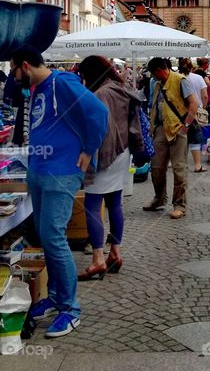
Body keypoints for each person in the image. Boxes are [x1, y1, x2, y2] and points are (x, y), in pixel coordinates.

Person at [12, 44, 108, 338]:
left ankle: (70, 309)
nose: (13, 77)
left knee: (53, 236)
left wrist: (89, 152)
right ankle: (55, 298)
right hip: (40, 172)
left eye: (14, 70)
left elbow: (98, 113)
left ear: (25, 65)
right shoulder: (39, 88)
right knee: (45, 236)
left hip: (61, 172)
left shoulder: (61, 83)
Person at [77, 56, 142, 280]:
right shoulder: (119, 87)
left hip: (105, 153)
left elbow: (97, 129)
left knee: (92, 205)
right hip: (122, 152)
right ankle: (115, 252)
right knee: (114, 202)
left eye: (84, 76)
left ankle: (97, 260)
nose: (83, 81)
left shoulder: (101, 94)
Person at [144, 57, 198, 219]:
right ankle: (159, 198)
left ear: (160, 69)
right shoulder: (158, 84)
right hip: (160, 129)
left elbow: (193, 104)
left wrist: (185, 126)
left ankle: (180, 205)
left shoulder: (180, 81)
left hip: (177, 129)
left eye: (154, 74)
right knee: (156, 167)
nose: (153, 77)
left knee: (179, 169)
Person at [179, 58, 208, 173]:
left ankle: (183, 164)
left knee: (182, 137)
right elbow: (205, 96)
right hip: (196, 111)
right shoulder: (198, 78)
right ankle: (197, 165)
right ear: (192, 67)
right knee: (195, 138)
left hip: (180, 112)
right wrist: (203, 108)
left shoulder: (176, 78)